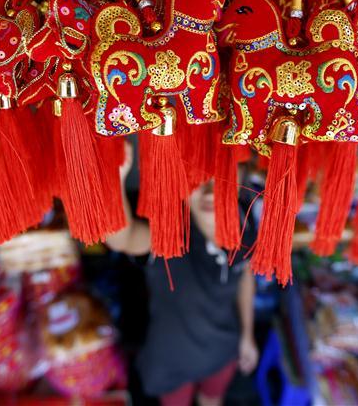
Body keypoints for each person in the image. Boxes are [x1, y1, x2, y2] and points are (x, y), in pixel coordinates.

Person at [105, 143, 259, 406]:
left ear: (242, 178)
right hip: (173, 360)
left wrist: (247, 334)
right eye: (198, 180)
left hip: (223, 350)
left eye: (224, 177)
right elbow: (123, 239)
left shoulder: (245, 222)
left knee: (213, 400)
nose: (210, 192)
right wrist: (114, 181)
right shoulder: (170, 233)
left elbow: (245, 275)